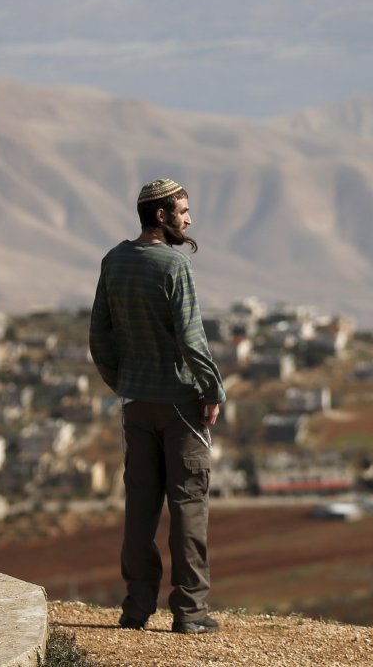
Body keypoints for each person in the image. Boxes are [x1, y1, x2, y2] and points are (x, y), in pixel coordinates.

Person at [89, 177, 226, 635]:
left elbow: (100, 336)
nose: (189, 220)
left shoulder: (115, 261)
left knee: (140, 507)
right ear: (162, 216)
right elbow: (192, 339)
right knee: (188, 503)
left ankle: (136, 609)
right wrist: (212, 390)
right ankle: (190, 612)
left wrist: (122, 383)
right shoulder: (174, 267)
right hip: (181, 405)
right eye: (183, 211)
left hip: (136, 404)